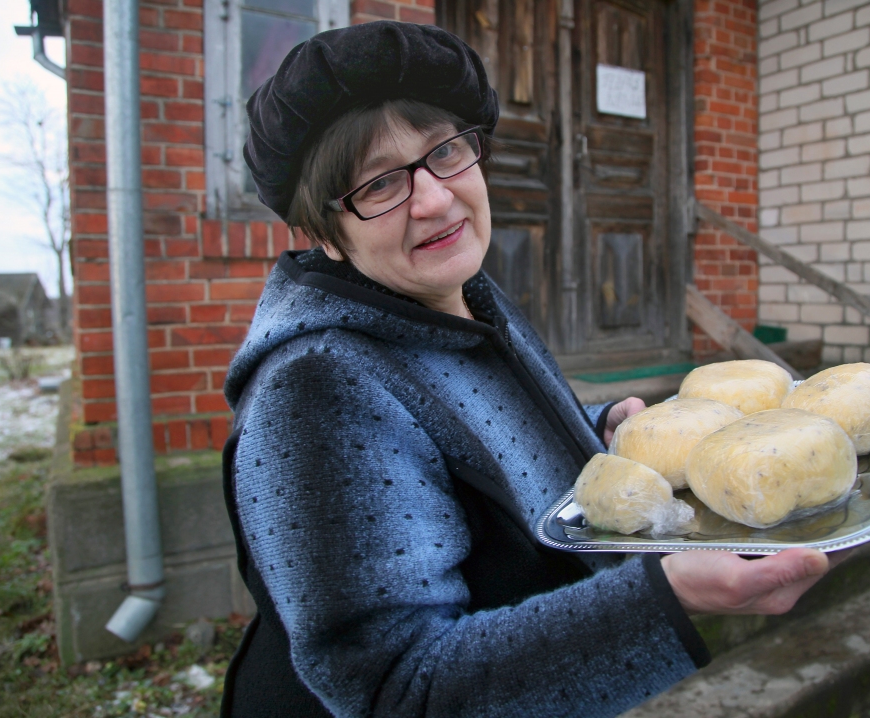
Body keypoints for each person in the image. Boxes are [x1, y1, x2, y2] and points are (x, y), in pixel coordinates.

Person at [220, 21, 833, 718]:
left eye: (445, 151)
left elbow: (472, 449)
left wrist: (595, 428)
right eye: (380, 183)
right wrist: (666, 596)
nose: (434, 199)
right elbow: (397, 690)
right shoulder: (315, 389)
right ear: (325, 233)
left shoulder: (461, 296)